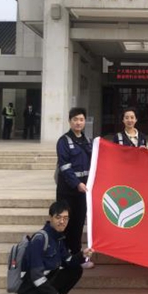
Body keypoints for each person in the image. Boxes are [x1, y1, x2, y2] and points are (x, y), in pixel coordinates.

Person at [16, 200, 93, 294]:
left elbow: (68, 260)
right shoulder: (39, 240)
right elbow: (36, 276)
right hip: (30, 292)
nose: (62, 221)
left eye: (66, 218)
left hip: (45, 286)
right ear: (50, 217)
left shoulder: (58, 238)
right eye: (58, 217)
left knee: (76, 270)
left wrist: (82, 255)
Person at [56, 107, 94, 269]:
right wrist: (76, 183)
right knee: (64, 223)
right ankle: (62, 258)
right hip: (68, 191)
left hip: (83, 192)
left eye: (81, 120)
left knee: (78, 224)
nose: (78, 123)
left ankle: (77, 256)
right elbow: (64, 167)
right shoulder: (63, 141)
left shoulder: (88, 141)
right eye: (75, 120)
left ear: (85, 121)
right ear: (70, 121)